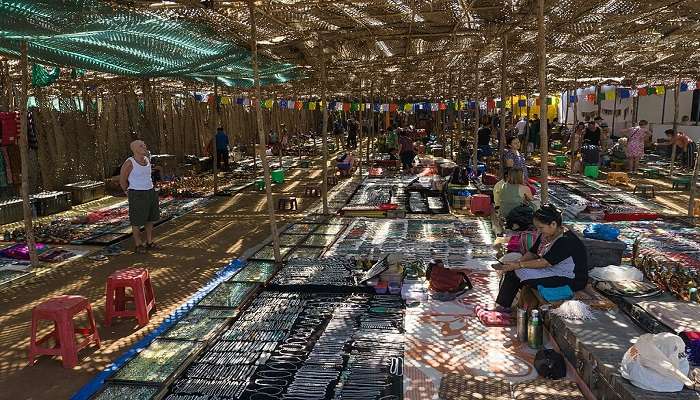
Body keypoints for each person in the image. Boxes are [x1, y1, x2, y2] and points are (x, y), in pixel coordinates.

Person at [493, 204, 589, 310]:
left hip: (571, 279)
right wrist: (515, 263)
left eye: (541, 227)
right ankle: (504, 306)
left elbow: (545, 262)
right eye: (537, 227)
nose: (538, 231)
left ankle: (504, 308)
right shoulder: (546, 234)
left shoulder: (566, 240)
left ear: (553, 224)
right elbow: (533, 253)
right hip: (552, 271)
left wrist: (518, 265)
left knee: (517, 273)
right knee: (515, 272)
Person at [119, 140, 160, 254]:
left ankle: (149, 241)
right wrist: (127, 191)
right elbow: (122, 179)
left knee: (150, 219)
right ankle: (138, 244)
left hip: (150, 192)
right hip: (137, 193)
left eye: (144, 144)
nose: (144, 146)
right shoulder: (130, 162)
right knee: (136, 220)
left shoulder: (147, 159)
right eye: (141, 146)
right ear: (135, 149)